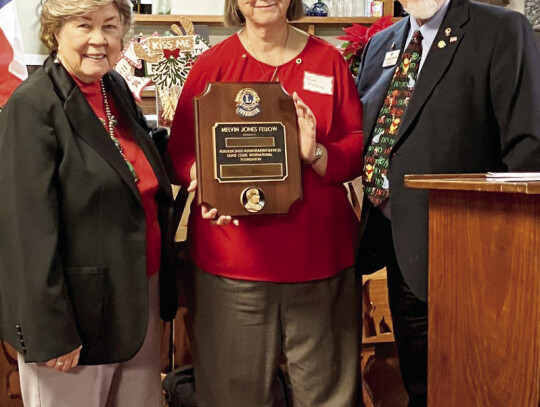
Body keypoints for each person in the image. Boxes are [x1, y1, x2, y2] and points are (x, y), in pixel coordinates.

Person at [165, 0, 363, 405]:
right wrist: (199, 178)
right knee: (231, 396)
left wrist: (316, 154)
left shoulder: (328, 61)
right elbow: (180, 153)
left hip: (318, 262)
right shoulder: (211, 65)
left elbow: (357, 145)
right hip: (232, 266)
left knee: (329, 397)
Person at [355, 0, 540, 405]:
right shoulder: (381, 45)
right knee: (420, 385)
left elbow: (527, 149)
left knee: (476, 389)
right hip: (398, 249)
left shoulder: (501, 29)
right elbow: (369, 135)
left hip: (474, 259)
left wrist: (510, 259)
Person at [0, 0, 178, 406]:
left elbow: (132, 169)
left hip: (136, 301)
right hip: (74, 320)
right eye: (84, 26)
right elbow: (25, 235)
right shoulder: (32, 107)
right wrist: (51, 332)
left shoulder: (112, 87)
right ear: (56, 31)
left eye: (110, 26)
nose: (99, 40)